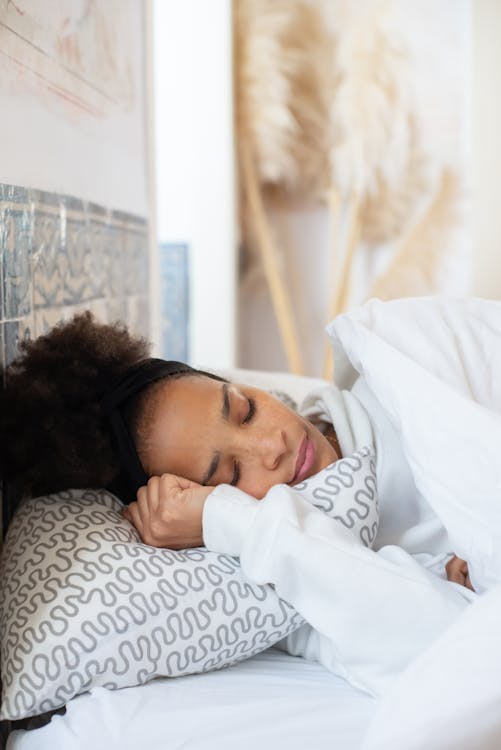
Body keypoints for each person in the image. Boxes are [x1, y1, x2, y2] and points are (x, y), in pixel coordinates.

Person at [0, 309, 477, 697]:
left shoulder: (400, 375)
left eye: (245, 409)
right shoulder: (290, 577)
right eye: (230, 474)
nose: (271, 448)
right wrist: (225, 521)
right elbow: (456, 660)